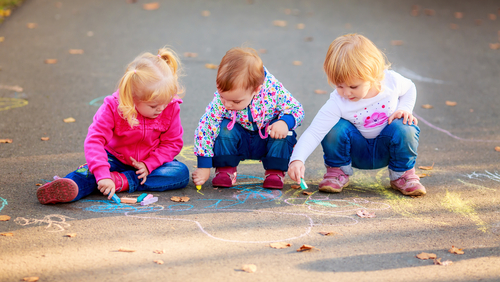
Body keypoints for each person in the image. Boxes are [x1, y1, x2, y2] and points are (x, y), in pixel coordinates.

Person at [37, 48, 190, 204]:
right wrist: (102, 174)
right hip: (114, 158)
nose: (161, 109)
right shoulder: (113, 106)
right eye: (153, 106)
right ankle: (70, 186)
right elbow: (95, 140)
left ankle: (119, 181)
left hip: (148, 164)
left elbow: (172, 143)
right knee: (90, 172)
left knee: (180, 173)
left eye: (165, 103)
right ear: (133, 97)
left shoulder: (170, 106)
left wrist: (149, 164)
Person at [288, 34, 425, 196]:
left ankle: (402, 175)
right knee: (333, 127)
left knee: (405, 126)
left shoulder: (391, 82)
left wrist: (405, 108)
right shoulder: (338, 101)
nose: (346, 93)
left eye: (353, 86)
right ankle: (337, 171)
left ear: (374, 74)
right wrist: (297, 159)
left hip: (388, 149)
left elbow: (410, 88)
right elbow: (315, 131)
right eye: (339, 86)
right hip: (355, 152)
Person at [192, 47, 304, 189]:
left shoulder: (272, 91)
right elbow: (205, 127)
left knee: (285, 132)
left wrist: (284, 122)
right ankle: (226, 169)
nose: (227, 104)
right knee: (222, 127)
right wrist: (204, 165)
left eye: (236, 101)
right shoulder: (224, 100)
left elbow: (297, 109)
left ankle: (275, 172)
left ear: (256, 89)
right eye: (222, 97)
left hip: (266, 139)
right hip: (240, 140)